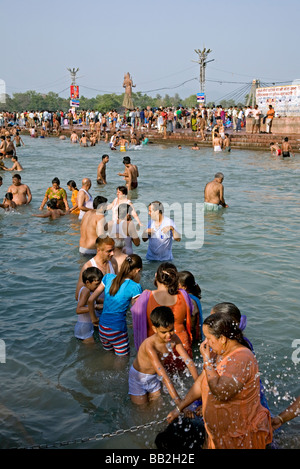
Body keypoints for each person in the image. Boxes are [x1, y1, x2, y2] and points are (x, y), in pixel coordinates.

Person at [167, 312, 273, 449]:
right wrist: (178, 408)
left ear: (222, 339)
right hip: (219, 434)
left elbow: (221, 392)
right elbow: (201, 383)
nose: (205, 343)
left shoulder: (242, 358)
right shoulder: (220, 353)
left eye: (209, 338)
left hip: (239, 437)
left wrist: (206, 361)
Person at [129, 306, 198, 405]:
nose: (169, 335)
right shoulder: (150, 345)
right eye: (164, 332)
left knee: (156, 406)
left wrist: (198, 383)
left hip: (154, 377)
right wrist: (178, 401)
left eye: (171, 330)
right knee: (142, 408)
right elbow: (163, 375)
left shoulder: (174, 338)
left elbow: (188, 361)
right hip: (138, 378)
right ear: (155, 329)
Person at [131, 263, 194, 366]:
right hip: (181, 345)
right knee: (183, 377)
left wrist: (134, 304)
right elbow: (190, 313)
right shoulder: (183, 295)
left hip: (158, 347)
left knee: (159, 377)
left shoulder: (146, 297)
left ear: (156, 276)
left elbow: (136, 317)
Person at [88, 254, 143, 357]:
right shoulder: (135, 287)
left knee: (109, 355)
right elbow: (137, 312)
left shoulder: (108, 277)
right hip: (118, 329)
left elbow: (91, 300)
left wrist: (94, 319)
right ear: (137, 270)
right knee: (122, 360)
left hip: (102, 328)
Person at [75, 267, 103, 344]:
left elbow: (96, 300)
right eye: (96, 284)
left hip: (86, 325)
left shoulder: (90, 290)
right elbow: (79, 309)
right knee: (91, 350)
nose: (98, 287)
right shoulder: (86, 290)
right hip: (84, 327)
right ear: (88, 282)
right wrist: (96, 307)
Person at [178, 271, 203, 342]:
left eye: (177, 285)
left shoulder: (190, 300)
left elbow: (193, 320)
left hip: (194, 337)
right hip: (198, 335)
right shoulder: (194, 297)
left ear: (184, 287)